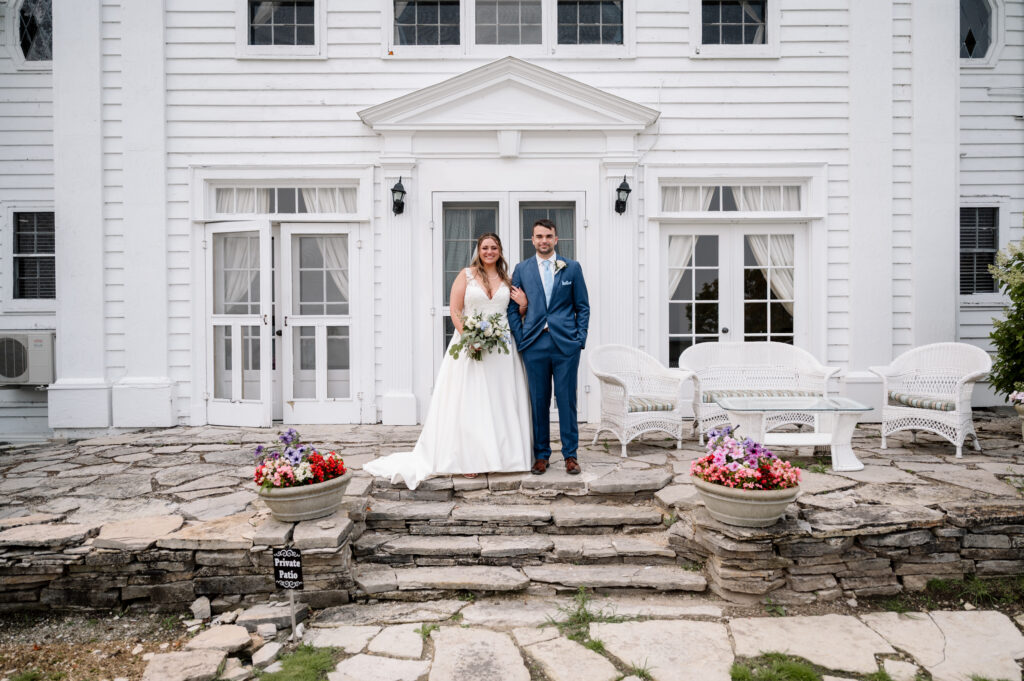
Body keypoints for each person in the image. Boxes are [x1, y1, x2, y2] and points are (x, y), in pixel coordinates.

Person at [364, 233, 532, 489]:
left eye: (494, 248)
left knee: (500, 399)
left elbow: (512, 314)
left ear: (500, 251)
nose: (489, 251)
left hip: (501, 349)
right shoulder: (466, 275)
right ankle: (468, 458)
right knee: (470, 400)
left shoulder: (507, 281)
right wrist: (471, 338)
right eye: (485, 247)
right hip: (470, 345)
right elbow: (455, 310)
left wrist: (522, 305)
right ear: (478, 250)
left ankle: (504, 457)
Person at [508, 219, 590, 475]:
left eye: (548, 236)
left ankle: (570, 455)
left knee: (567, 400)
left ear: (556, 239)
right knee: (538, 401)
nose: (544, 240)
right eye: (539, 236)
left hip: (566, 345)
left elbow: (583, 307)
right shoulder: (522, 269)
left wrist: (580, 339)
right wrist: (522, 339)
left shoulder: (572, 268)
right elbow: (512, 309)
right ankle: (541, 455)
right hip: (534, 344)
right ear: (532, 240)